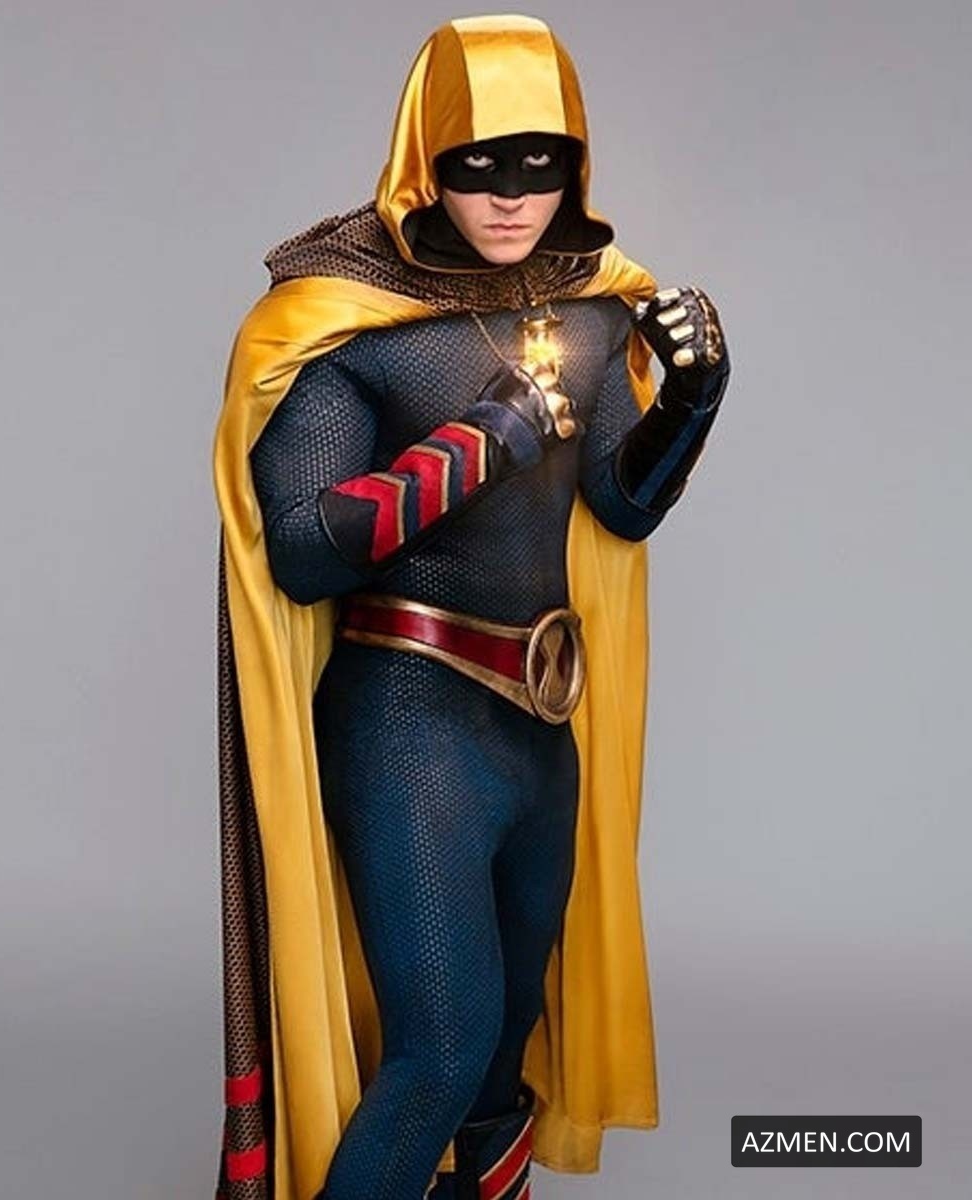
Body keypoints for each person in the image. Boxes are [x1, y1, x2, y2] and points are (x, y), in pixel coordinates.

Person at [211, 14, 729, 1200]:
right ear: (423, 160)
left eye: (540, 163)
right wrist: (482, 439)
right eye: (477, 163)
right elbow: (302, 551)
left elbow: (620, 506)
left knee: (502, 1055)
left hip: (538, 723)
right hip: (408, 719)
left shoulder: (591, 310)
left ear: (576, 165)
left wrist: (690, 398)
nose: (510, 195)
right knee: (439, 1054)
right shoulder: (346, 324)